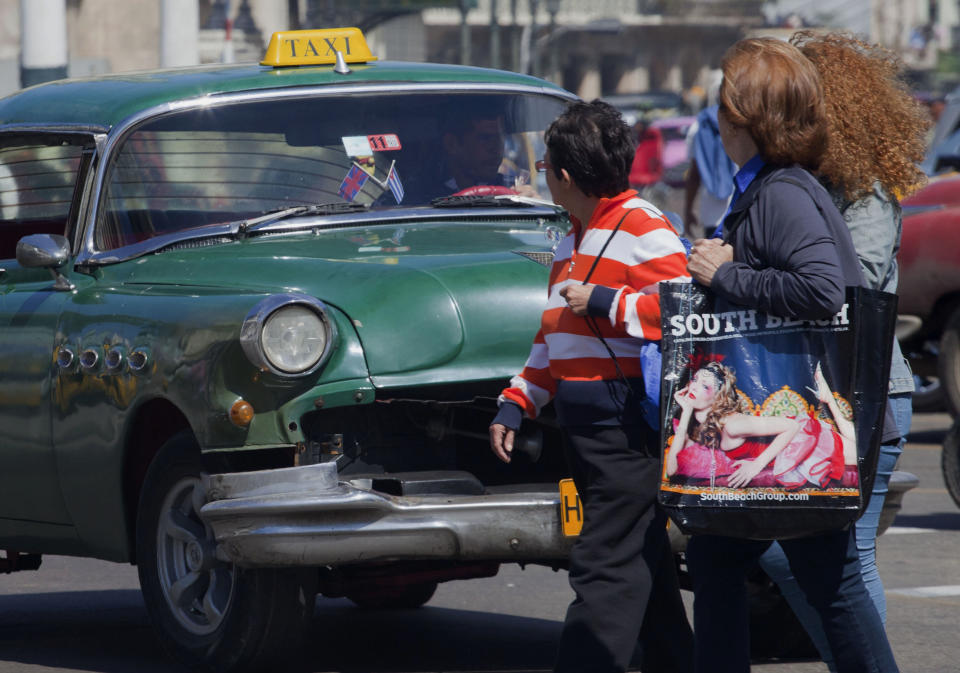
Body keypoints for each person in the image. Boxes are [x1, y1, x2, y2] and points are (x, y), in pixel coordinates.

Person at [683, 37, 900, 673]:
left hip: (806, 418)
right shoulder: (772, 187)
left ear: (744, 117)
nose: (714, 120)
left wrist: (725, 276)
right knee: (720, 561)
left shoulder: (780, 194)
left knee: (831, 585)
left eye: (722, 104)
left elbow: (821, 289)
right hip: (792, 413)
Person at [488, 99, 693, 673]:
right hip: (588, 431)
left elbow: (685, 312)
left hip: (628, 432)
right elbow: (555, 332)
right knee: (641, 568)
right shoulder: (571, 237)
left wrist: (606, 301)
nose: (542, 177)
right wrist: (517, 400)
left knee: (605, 569)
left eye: (545, 167)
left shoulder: (644, 227)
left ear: (564, 175)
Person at [753, 31, 930, 671]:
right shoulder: (798, 183)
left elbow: (851, 288)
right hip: (812, 396)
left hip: (871, 393)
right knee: (788, 553)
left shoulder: (866, 192)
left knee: (844, 563)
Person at [666, 360, 857, 490]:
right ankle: (828, 399)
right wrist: (686, 412)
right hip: (799, 446)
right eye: (695, 379)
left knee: (864, 452)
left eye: (705, 386)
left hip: (811, 446)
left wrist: (756, 465)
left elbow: (791, 427)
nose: (694, 387)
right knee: (863, 447)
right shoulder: (713, 427)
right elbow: (671, 470)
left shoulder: (733, 425)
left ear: (718, 397)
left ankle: (829, 400)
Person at [683, 103, 737, 239]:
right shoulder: (742, 121)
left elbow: (694, 174)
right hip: (740, 210)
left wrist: (688, 210)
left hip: (711, 214)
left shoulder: (699, 126)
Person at [628, 117, 664, 191]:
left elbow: (656, 160)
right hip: (637, 175)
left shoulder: (653, 141)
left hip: (648, 174)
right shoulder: (640, 143)